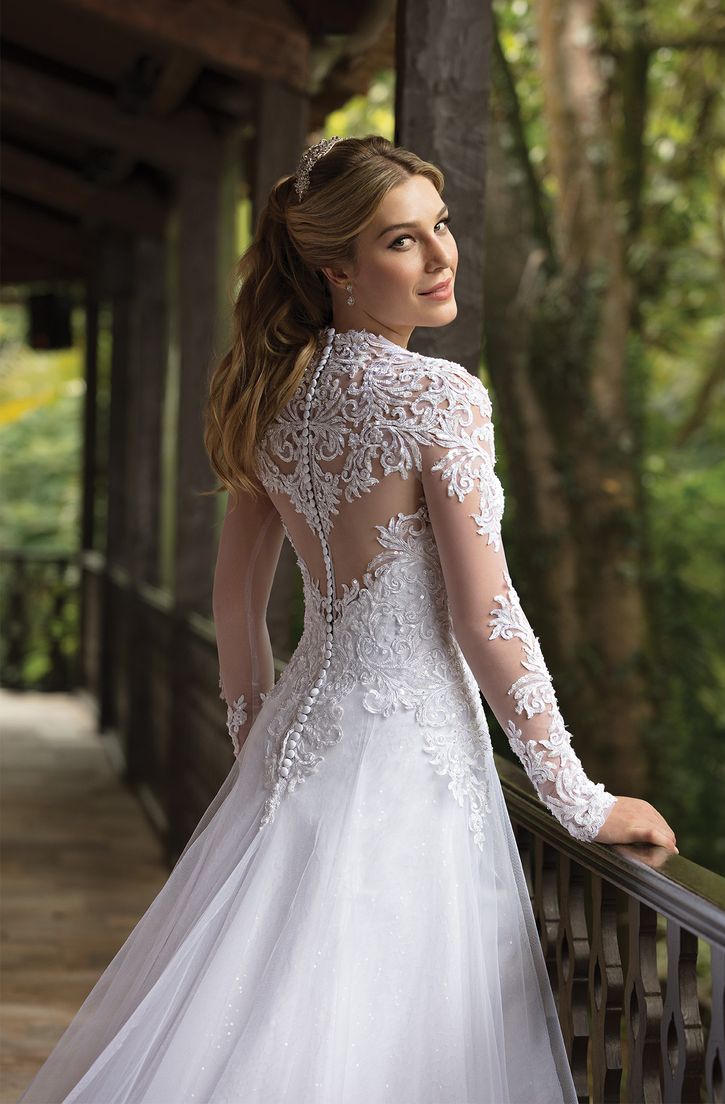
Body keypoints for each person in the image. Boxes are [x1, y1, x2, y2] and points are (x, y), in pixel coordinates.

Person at [18, 134, 677, 1104]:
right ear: (337, 267)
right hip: (408, 772)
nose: (443, 255)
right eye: (403, 241)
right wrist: (580, 800)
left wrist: (255, 738)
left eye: (439, 226)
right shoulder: (439, 396)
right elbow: (484, 615)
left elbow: (235, 596)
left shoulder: (273, 392)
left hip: (298, 751)